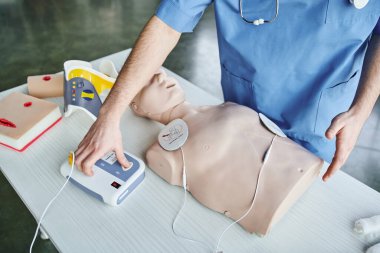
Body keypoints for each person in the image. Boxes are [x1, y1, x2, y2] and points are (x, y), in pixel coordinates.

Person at [75, 0, 380, 182]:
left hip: (323, 122)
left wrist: (361, 110)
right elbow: (168, 24)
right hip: (244, 111)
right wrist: (109, 114)